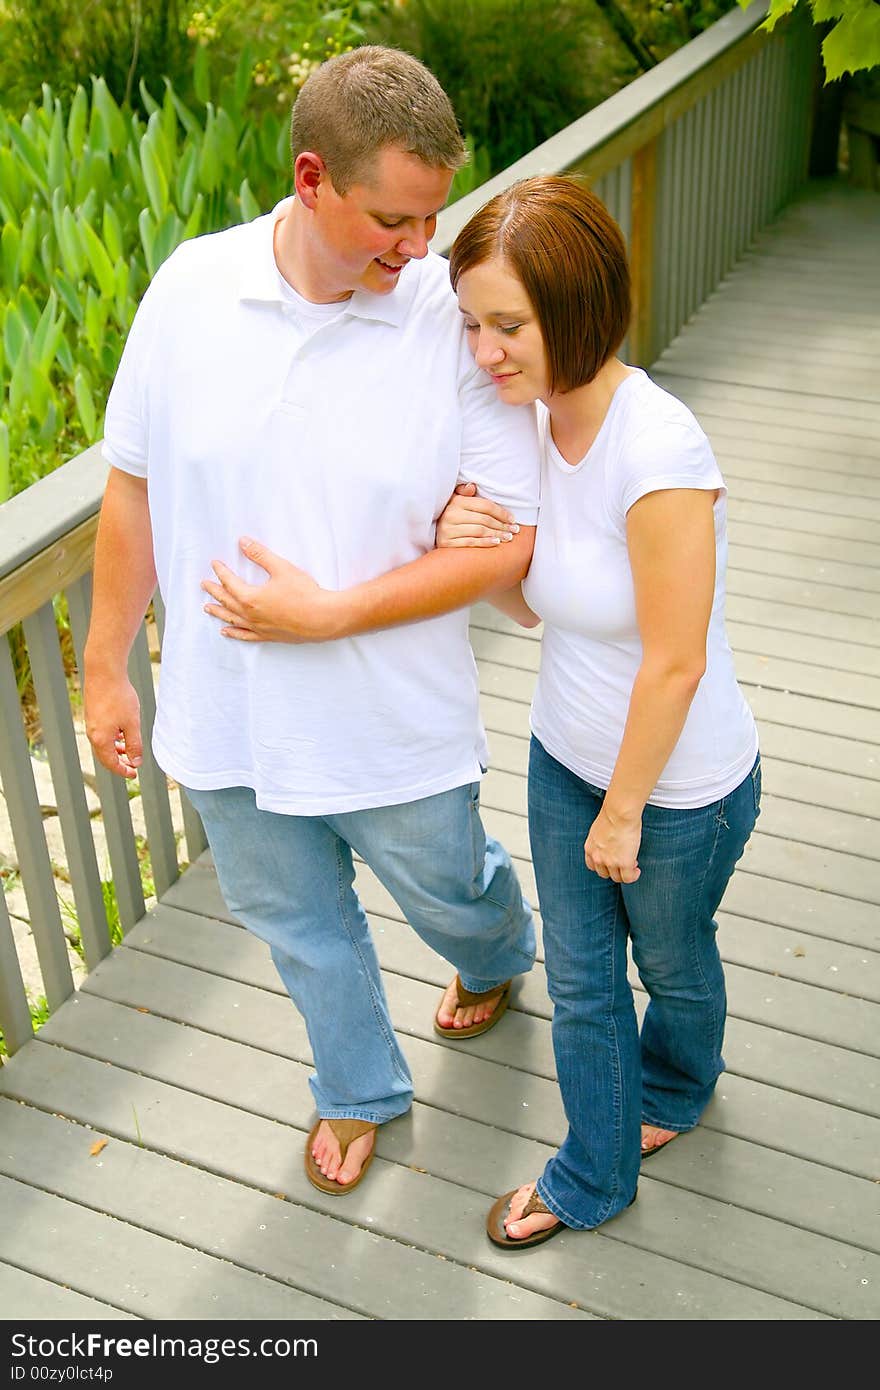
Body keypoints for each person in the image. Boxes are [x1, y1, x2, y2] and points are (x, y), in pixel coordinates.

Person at [84, 46, 542, 1198]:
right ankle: (355, 1087)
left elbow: (510, 545)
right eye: (392, 218)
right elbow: (132, 485)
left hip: (391, 720)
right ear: (309, 179)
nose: (419, 247)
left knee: (457, 894)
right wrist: (103, 666)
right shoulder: (190, 289)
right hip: (226, 715)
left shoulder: (452, 319)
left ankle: (502, 954)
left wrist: (329, 612)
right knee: (296, 923)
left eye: (433, 216)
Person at [432, 174, 762, 1247]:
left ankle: (678, 1079)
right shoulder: (524, 427)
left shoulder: (657, 451)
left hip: (674, 789)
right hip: (563, 754)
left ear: (576, 309)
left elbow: (671, 663)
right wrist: (472, 549)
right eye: (472, 324)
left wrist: (622, 811)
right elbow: (538, 609)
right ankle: (593, 1173)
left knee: (668, 963)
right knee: (581, 983)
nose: (485, 353)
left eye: (508, 326)